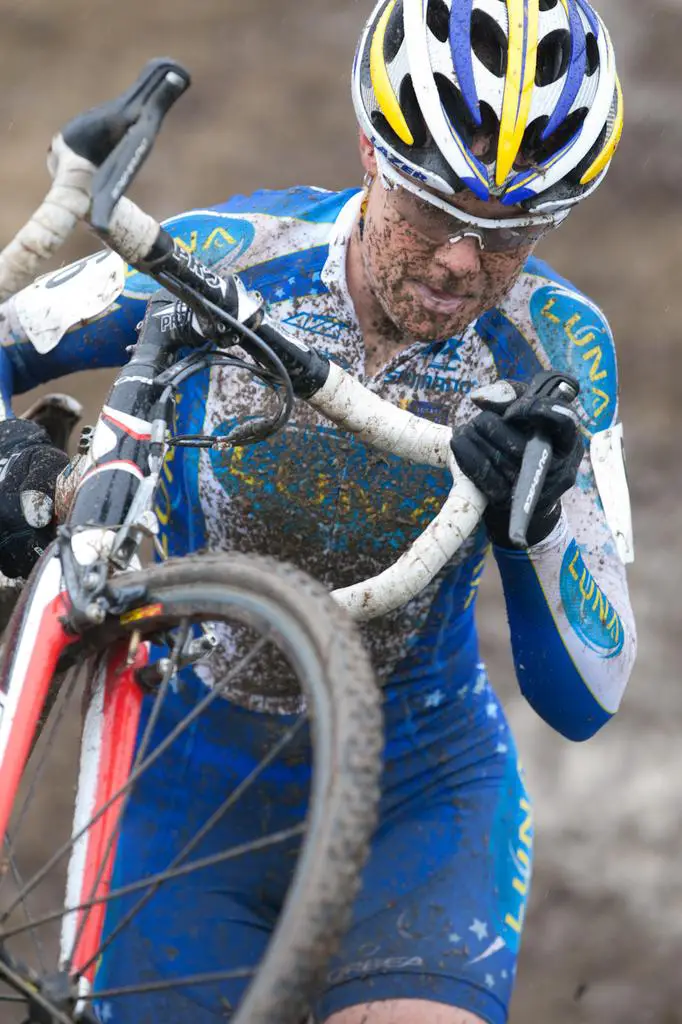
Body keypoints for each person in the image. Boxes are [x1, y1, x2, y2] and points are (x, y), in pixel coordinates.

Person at [0, 1, 637, 1022]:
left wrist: (541, 518)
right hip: (180, 801)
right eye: (434, 213)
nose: (461, 265)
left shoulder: (560, 349)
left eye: (510, 235)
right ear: (370, 153)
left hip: (420, 798)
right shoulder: (228, 257)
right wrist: (13, 458)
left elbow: (586, 696)